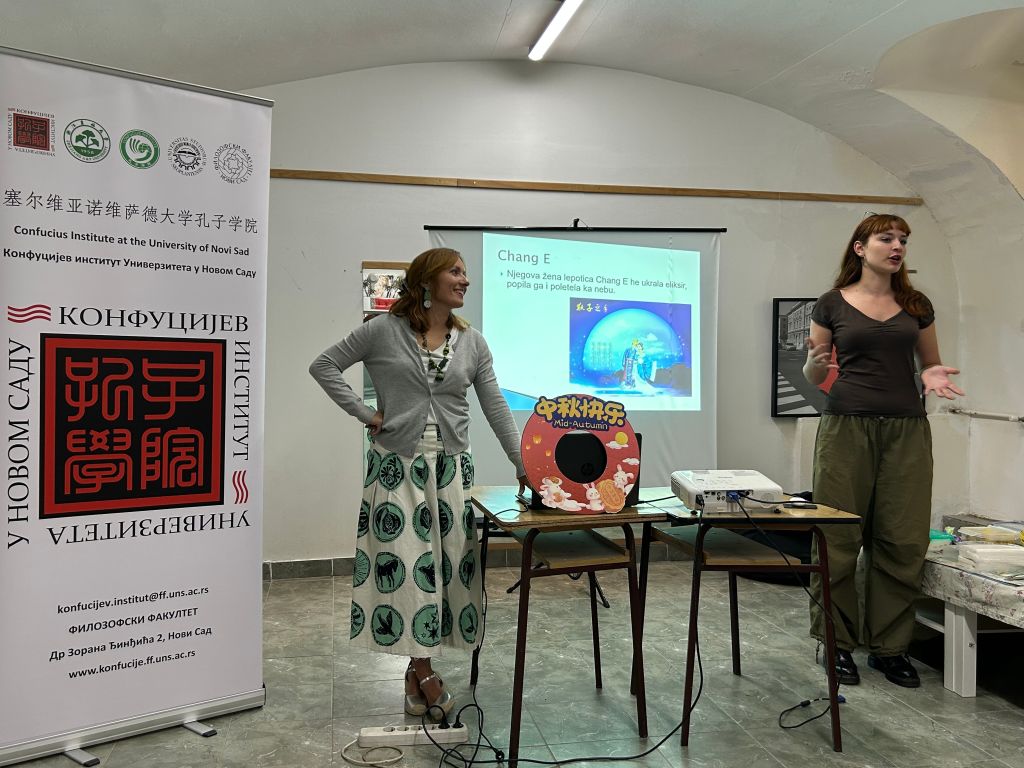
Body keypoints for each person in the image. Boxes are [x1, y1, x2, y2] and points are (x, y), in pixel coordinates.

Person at [310, 247, 528, 719]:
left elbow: (495, 406)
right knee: (409, 568)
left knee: (447, 571)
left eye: (466, 272)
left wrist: (521, 462)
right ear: (427, 280)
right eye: (455, 271)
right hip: (397, 468)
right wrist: (367, 413)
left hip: (451, 471)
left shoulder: (473, 343)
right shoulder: (383, 330)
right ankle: (425, 670)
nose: (465, 279)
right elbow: (324, 366)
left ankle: (415, 671)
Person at [803, 213, 963, 689]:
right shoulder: (832, 303)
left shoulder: (916, 304)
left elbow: (930, 363)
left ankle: (890, 647)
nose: (897, 247)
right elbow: (815, 375)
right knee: (836, 535)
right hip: (845, 427)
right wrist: (813, 364)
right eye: (887, 238)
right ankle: (835, 641)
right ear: (860, 247)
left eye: (903, 240)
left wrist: (931, 374)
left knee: (901, 538)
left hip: (906, 429)